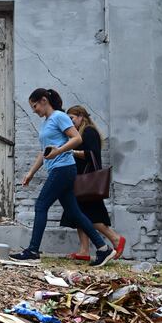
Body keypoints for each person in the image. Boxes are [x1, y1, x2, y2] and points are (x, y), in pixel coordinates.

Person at [11, 88, 116, 267]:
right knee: (75, 212)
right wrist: (31, 173)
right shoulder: (46, 122)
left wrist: (59, 151)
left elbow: (77, 139)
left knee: (41, 205)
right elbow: (44, 152)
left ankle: (33, 251)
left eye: (34, 105)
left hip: (64, 169)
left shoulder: (59, 116)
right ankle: (103, 248)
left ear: (44, 100)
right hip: (58, 170)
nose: (34, 110)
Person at [60, 105, 126, 261]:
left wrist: (71, 151)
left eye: (72, 118)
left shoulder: (89, 132)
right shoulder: (78, 133)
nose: (70, 122)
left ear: (81, 116)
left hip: (87, 182)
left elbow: (93, 155)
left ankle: (116, 238)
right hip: (80, 181)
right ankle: (83, 250)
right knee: (79, 216)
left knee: (89, 216)